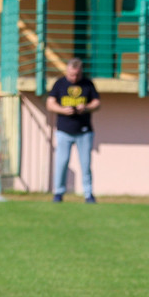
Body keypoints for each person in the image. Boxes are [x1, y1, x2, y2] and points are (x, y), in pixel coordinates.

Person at [46, 58, 101, 203]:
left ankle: (88, 194)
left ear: (81, 72)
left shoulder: (88, 84)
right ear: (67, 71)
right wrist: (63, 110)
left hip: (84, 132)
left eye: (76, 75)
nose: (74, 78)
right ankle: (58, 193)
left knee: (85, 164)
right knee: (61, 162)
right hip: (64, 131)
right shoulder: (59, 84)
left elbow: (97, 103)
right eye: (71, 74)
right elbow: (50, 104)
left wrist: (86, 107)